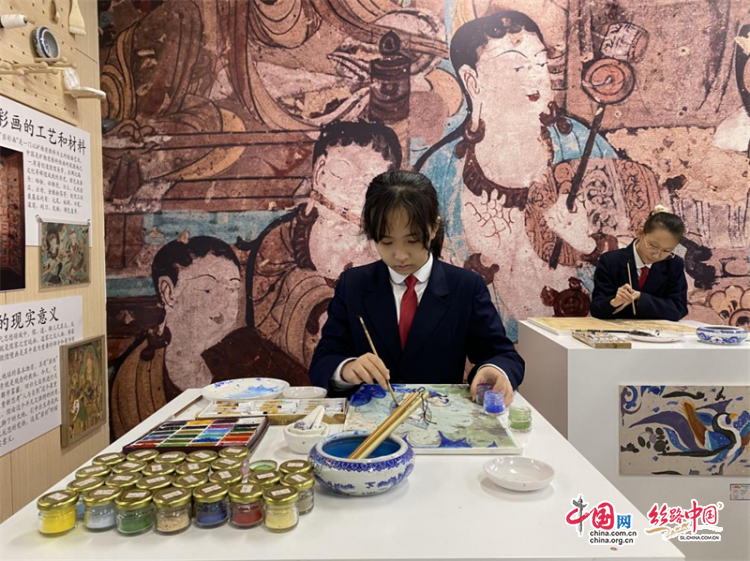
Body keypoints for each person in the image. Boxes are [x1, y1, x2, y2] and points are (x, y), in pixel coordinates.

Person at [416, 10, 661, 337]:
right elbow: (415, 273)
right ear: (473, 81)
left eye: (540, 63)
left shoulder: (582, 147)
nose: (535, 76)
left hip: (580, 345)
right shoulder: (441, 170)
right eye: (517, 66)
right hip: (483, 350)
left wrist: (589, 244)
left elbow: (647, 263)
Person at [309, 171, 524, 407]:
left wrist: (494, 370)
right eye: (386, 242)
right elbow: (323, 360)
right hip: (370, 420)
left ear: (433, 228)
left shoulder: (465, 287)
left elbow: (503, 355)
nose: (400, 255)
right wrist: (347, 369)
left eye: (412, 240)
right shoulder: (353, 285)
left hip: (438, 417)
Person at [110, 236, 306, 438]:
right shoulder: (138, 377)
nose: (224, 303)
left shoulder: (249, 349)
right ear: (168, 292)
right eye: (208, 289)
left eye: (232, 289)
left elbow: (308, 401)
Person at [249, 120, 401, 369]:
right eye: (341, 172)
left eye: (369, 184)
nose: (352, 192)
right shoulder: (281, 241)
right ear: (319, 174)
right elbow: (262, 330)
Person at [590, 206, 688, 321]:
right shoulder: (611, 261)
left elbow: (679, 309)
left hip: (656, 331)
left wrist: (642, 298)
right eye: (653, 246)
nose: (657, 255)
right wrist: (614, 302)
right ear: (640, 233)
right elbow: (596, 309)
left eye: (667, 251)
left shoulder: (673, 264)